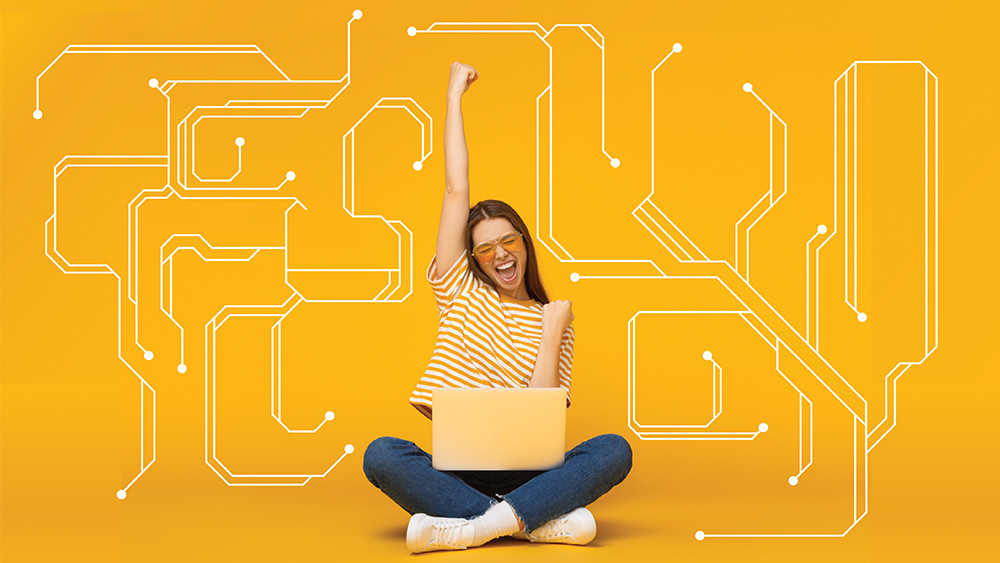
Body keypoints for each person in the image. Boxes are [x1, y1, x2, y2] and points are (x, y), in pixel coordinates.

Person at [362, 62, 632, 554]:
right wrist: (452, 99)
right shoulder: (459, 289)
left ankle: (471, 528)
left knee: (613, 450)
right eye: (485, 249)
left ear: (524, 245)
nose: (500, 255)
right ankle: (532, 521)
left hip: (531, 470)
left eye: (508, 241)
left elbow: (541, 415)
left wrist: (552, 330)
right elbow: (455, 190)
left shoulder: (554, 320)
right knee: (383, 454)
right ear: (473, 260)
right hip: (458, 471)